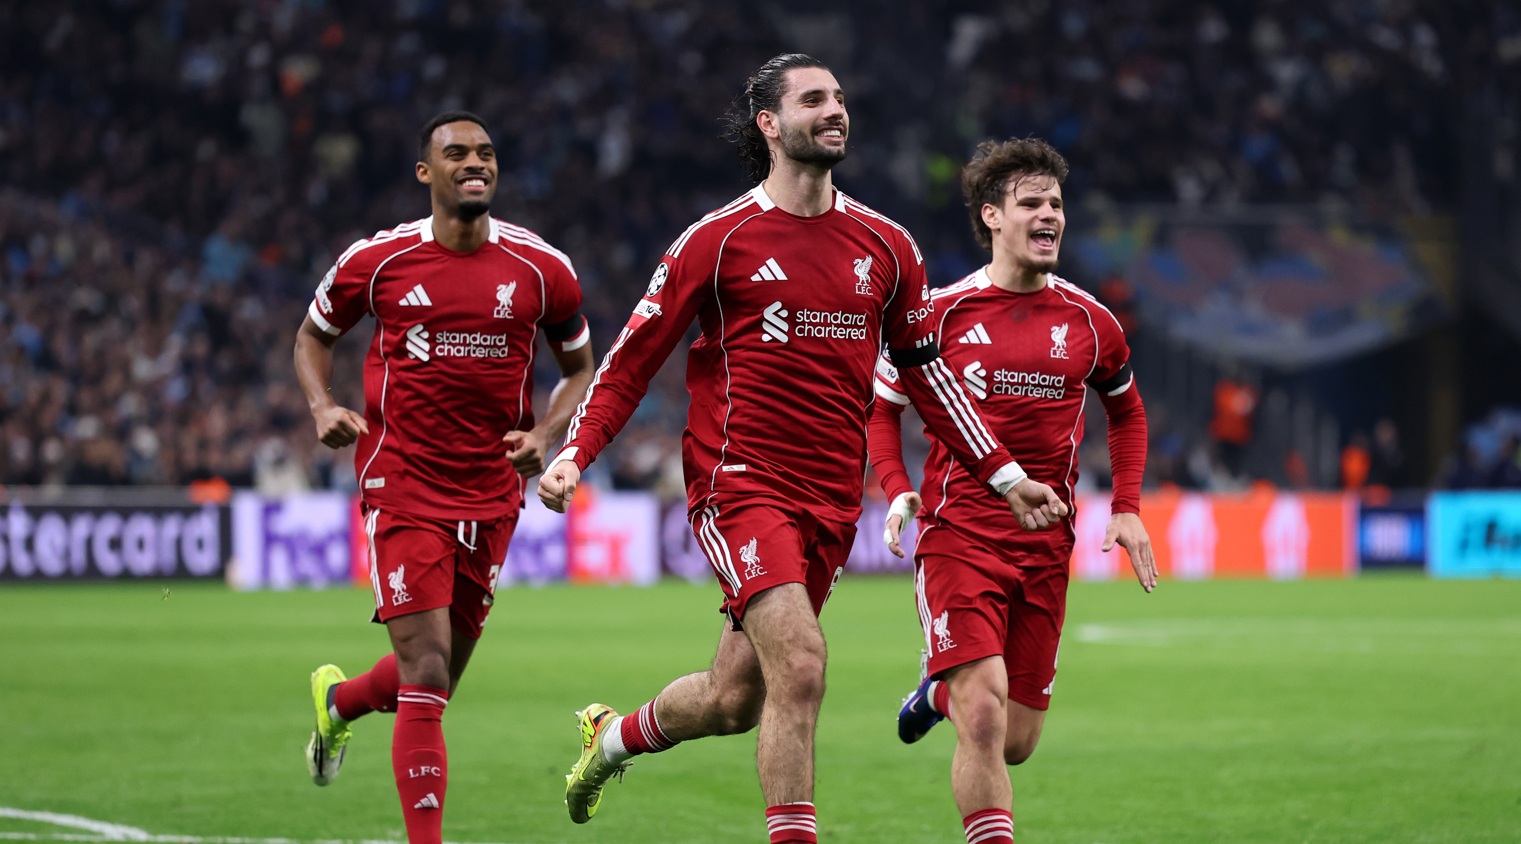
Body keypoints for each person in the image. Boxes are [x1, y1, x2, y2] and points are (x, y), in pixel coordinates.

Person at [535, 55, 1067, 843]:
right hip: (738, 483)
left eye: (840, 98)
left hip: (829, 503)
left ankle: (609, 740)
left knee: (732, 698)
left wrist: (1005, 475)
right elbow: (632, 359)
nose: (835, 110)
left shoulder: (886, 246)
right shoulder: (718, 241)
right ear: (769, 124)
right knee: (805, 664)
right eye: (813, 99)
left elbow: (930, 379)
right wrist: (578, 450)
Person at [292, 111, 594, 844]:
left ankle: (338, 706)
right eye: (455, 153)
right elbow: (312, 337)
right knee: (425, 671)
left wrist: (547, 436)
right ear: (425, 172)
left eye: (486, 154)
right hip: (403, 483)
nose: (474, 164)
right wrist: (323, 405)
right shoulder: (380, 260)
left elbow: (581, 367)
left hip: (492, 490)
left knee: (429, 682)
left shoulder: (540, 269)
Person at [869, 137, 1156, 844]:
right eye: (1031, 203)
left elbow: (1126, 409)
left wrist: (1125, 508)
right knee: (986, 713)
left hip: (1044, 548)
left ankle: (934, 690)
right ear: (991, 216)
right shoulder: (938, 315)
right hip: (957, 536)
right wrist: (898, 487)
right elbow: (882, 407)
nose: (1049, 215)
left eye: (1056, 203)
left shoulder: (1091, 322)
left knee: (1016, 740)